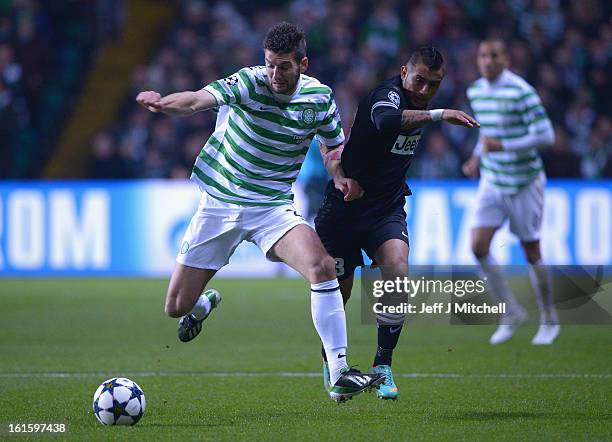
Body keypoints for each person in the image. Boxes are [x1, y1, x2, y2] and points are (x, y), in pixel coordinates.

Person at [135, 22, 384, 402]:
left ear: (303, 63)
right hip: (220, 203)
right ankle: (202, 305)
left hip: (272, 208)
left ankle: (339, 372)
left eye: (283, 66)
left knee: (322, 267)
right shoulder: (249, 83)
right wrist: (162, 102)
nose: (274, 74)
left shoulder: (319, 98)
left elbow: (332, 146)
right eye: (269, 64)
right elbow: (198, 100)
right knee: (176, 306)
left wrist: (339, 176)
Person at [315, 47, 479, 399]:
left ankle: (382, 365)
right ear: (404, 72)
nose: (423, 90)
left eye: (433, 84)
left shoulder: (420, 101)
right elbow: (386, 121)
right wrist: (439, 113)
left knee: (397, 268)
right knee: (339, 293)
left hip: (385, 208)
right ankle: (333, 363)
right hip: (344, 208)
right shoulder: (386, 95)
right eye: (419, 80)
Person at [462, 38, 559, 345]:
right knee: (478, 246)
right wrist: (477, 157)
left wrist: (503, 147)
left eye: (494, 55)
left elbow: (546, 135)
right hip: (493, 179)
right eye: (483, 56)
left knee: (531, 251)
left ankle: (549, 318)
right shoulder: (475, 91)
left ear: (506, 60)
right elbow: (489, 133)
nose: (488, 61)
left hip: (524, 181)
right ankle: (511, 313)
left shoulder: (521, 92)